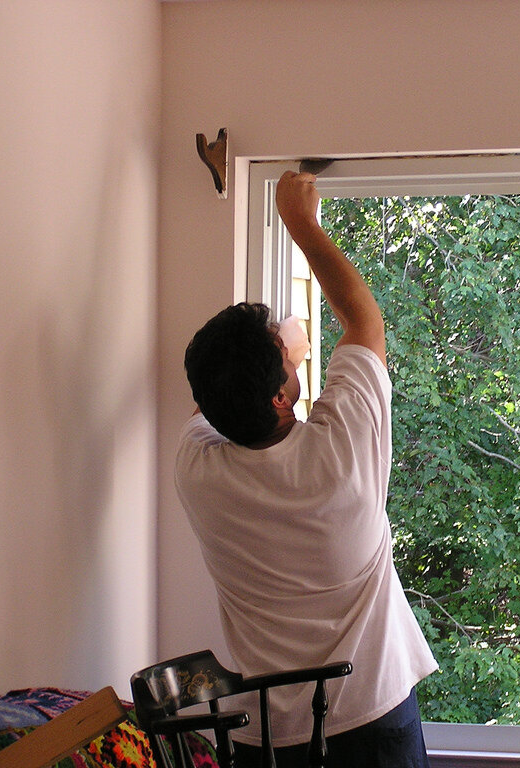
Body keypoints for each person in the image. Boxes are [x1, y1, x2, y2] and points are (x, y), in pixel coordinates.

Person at [175, 171, 438, 768]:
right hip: (372, 720)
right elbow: (365, 325)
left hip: (265, 741)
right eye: (288, 363)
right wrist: (301, 222)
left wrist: (273, 361)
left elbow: (213, 397)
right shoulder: (338, 453)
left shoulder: (197, 471)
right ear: (277, 397)